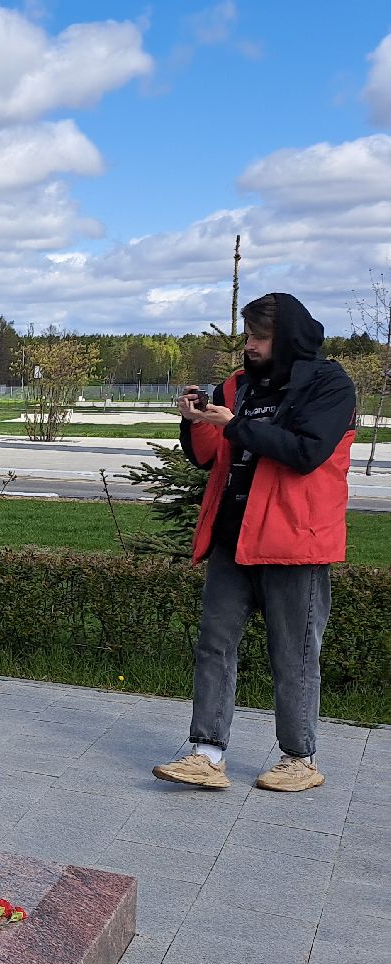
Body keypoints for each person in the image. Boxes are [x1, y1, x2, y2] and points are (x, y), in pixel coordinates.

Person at [155, 293, 357, 794]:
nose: (249, 346)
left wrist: (236, 426)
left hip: (295, 540)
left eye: (258, 338)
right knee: (214, 644)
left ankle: (299, 759)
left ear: (285, 338)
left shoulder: (330, 385)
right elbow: (207, 458)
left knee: (293, 654)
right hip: (233, 536)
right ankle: (206, 753)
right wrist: (195, 419)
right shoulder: (239, 385)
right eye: (246, 336)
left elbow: (305, 453)